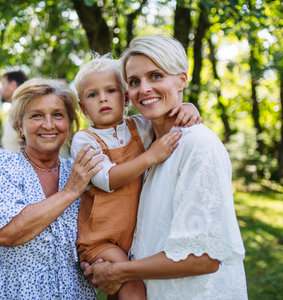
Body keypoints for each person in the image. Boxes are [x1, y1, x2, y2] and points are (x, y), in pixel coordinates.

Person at [82, 35, 248, 299]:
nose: (144, 89)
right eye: (134, 82)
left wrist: (120, 271)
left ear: (182, 79)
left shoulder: (198, 145)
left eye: (156, 76)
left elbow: (204, 258)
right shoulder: (148, 145)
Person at [0, 78, 104, 299]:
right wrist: (70, 191)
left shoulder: (78, 171)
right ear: (20, 126)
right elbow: (7, 234)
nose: (48, 124)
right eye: (36, 115)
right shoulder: (0, 166)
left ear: (70, 124)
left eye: (57, 115)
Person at [71, 55, 202, 299]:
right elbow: (107, 179)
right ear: (82, 107)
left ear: (126, 96)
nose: (103, 98)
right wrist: (150, 156)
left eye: (111, 90)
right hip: (101, 240)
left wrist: (188, 108)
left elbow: (168, 117)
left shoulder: (139, 126)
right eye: (92, 95)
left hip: (134, 238)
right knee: (133, 289)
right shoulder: (85, 140)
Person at [0, 70, 29, 151]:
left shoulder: (25, 110)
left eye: (2, 84)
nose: (0, 90)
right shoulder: (15, 110)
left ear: (12, 85)